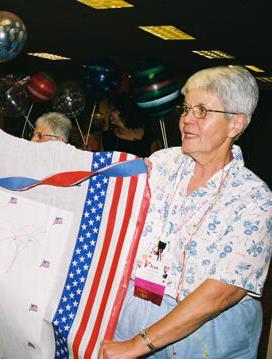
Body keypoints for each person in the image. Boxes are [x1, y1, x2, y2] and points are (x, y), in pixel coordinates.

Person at [99, 66, 272, 359]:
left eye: (202, 111)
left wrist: (138, 345)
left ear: (235, 125)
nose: (187, 120)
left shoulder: (254, 199)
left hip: (206, 336)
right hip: (135, 307)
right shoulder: (161, 164)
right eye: (186, 108)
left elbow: (220, 294)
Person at [100, 93, 157, 158]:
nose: (109, 113)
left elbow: (157, 165)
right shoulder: (107, 138)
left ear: (125, 111)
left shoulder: (149, 140)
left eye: (113, 110)